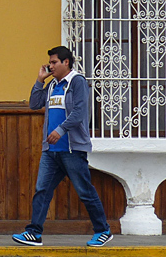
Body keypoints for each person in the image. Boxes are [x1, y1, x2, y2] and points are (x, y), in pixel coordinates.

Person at [12, 46, 112, 248]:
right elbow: (34, 104)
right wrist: (40, 80)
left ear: (66, 62)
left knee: (84, 191)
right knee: (42, 190)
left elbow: (79, 112)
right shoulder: (52, 85)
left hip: (72, 150)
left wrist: (60, 130)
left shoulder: (77, 82)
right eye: (50, 62)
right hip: (51, 152)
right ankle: (34, 233)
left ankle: (103, 231)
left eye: (54, 62)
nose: (51, 66)